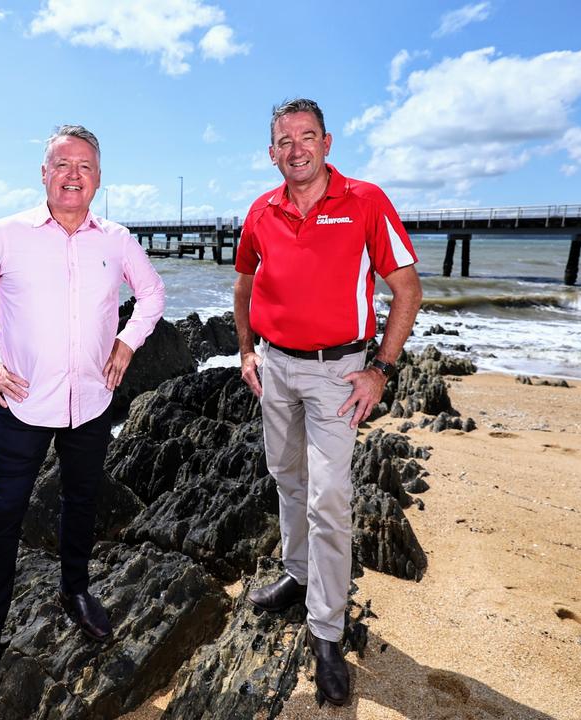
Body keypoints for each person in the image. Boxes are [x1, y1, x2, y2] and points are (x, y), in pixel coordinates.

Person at [0, 124, 165, 710]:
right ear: (43, 174)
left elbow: (154, 293)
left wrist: (128, 341)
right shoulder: (6, 236)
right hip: (23, 405)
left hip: (90, 403)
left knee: (82, 503)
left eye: (84, 166)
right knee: (1, 517)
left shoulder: (115, 240)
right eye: (62, 164)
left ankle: (75, 590)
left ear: (97, 179)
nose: (72, 174)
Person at [233, 98, 422, 706]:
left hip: (338, 373)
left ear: (327, 142)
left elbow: (407, 288)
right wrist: (245, 352)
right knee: (287, 478)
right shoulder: (260, 211)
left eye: (306, 137)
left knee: (329, 499)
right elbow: (243, 282)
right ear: (271, 153)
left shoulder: (365, 200)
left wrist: (380, 372)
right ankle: (297, 572)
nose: (296, 149)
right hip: (276, 368)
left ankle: (328, 631)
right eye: (284, 141)